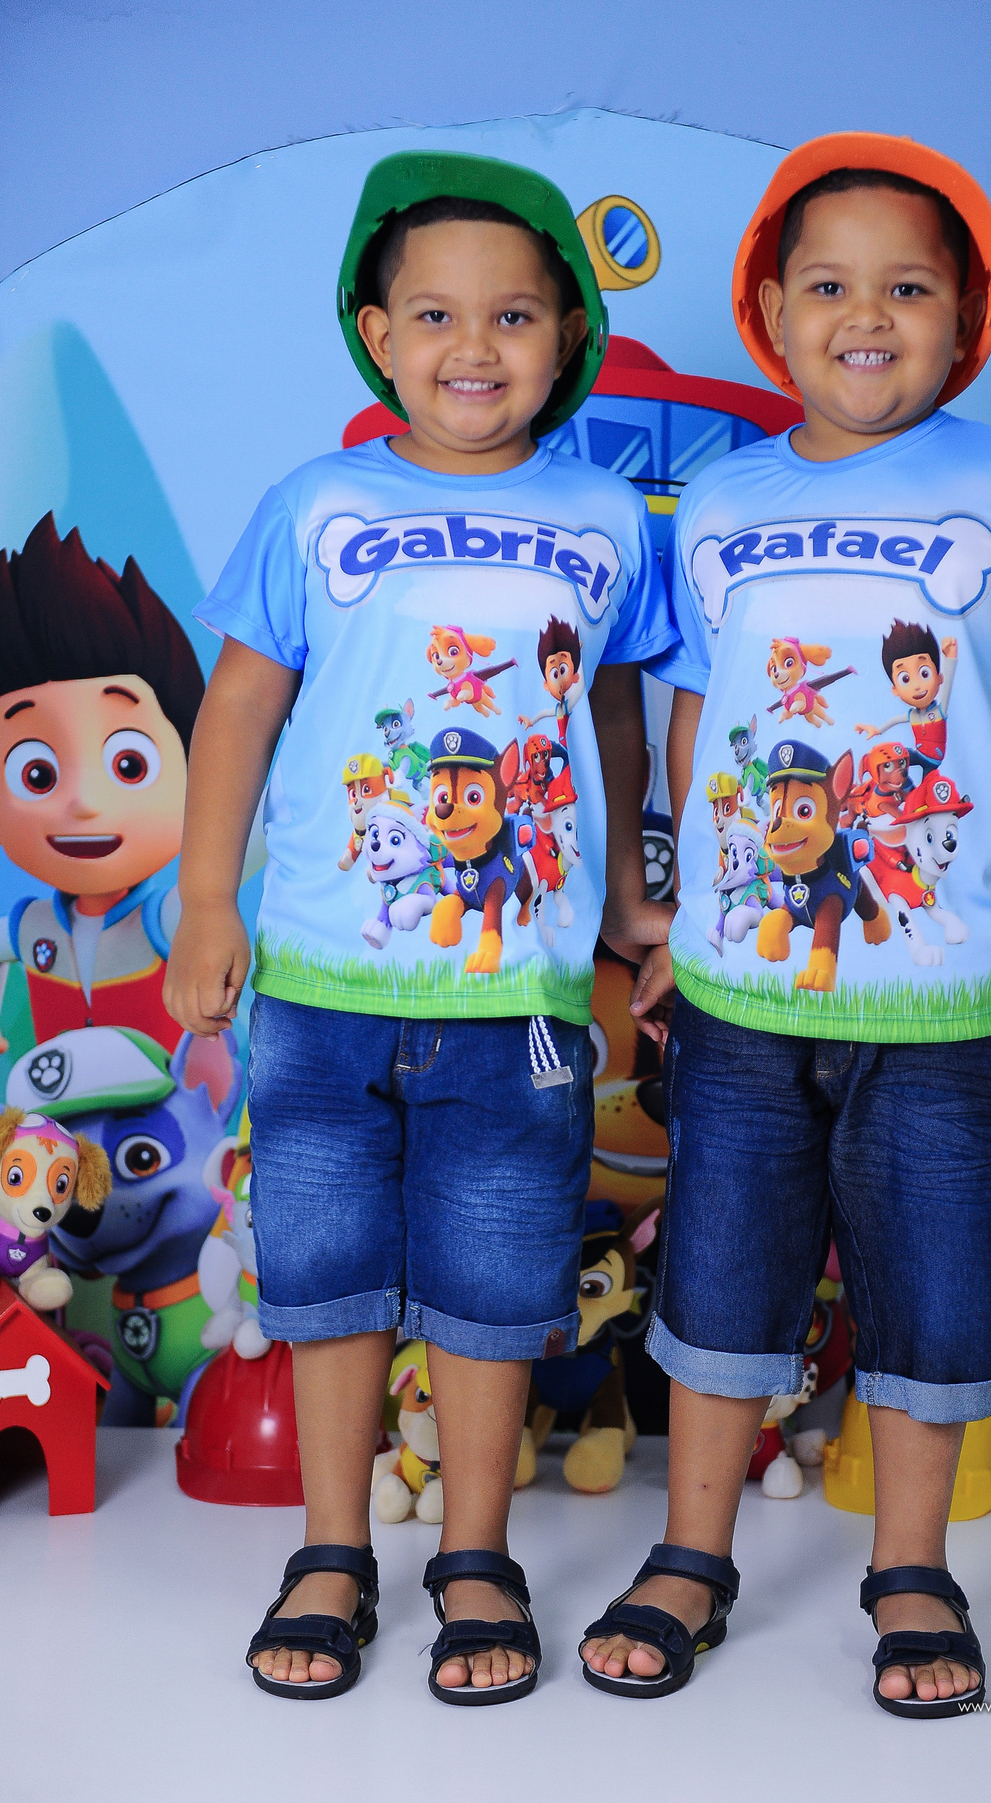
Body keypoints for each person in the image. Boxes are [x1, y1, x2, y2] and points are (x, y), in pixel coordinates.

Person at [579, 132, 991, 1718]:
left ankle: (912, 1568)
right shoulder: (724, 497)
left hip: (950, 998)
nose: (866, 315)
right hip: (744, 994)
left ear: (968, 316)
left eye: (909, 287)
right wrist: (680, 907)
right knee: (721, 1270)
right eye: (826, 285)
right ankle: (691, 1552)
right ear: (768, 310)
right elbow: (695, 713)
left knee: (937, 1282)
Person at [164, 150, 675, 1704]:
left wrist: (630, 891)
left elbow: (615, 711)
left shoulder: (605, 515)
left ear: (567, 337)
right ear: (376, 335)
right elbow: (241, 705)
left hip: (517, 993)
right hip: (325, 982)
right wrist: (206, 896)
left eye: (514, 314)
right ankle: (332, 1547)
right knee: (324, 1271)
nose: (475, 345)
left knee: (496, 1276)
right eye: (436, 314)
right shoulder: (318, 505)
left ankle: (475, 1553)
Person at [0, 514, 205, 1056]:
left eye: (129, 766)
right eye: (37, 775)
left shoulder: (168, 918)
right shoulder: (30, 926)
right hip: (51, 1107)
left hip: (164, 1105)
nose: (84, 803)